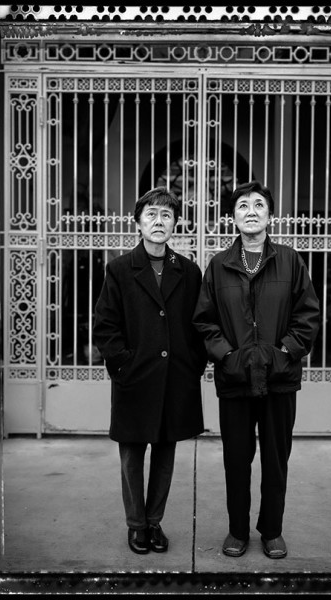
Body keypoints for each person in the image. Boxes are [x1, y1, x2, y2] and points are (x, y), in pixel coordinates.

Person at [193, 181, 320, 560]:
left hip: (279, 378)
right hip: (234, 379)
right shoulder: (218, 266)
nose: (251, 211)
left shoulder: (290, 260)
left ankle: (272, 530)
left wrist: (284, 353)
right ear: (233, 217)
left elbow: (308, 316)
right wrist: (227, 356)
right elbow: (204, 321)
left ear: (270, 215)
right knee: (237, 457)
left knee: (276, 458)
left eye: (259, 205)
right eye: (242, 205)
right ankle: (237, 530)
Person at [93, 187, 206, 555]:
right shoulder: (120, 270)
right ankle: (136, 525)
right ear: (138, 222)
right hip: (134, 379)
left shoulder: (188, 271)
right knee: (131, 456)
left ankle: (154, 522)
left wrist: (192, 366)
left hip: (174, 379)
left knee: (165, 454)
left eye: (167, 215)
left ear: (175, 223)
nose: (159, 221)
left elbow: (199, 325)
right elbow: (105, 326)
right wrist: (122, 364)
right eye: (152, 215)